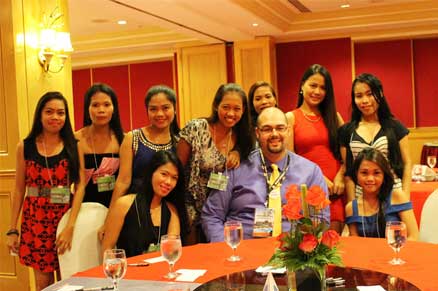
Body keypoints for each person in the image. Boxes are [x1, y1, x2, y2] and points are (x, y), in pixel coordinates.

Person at [201, 107, 329, 242]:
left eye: (280, 128)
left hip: (292, 254)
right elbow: (211, 215)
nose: (274, 134)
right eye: (267, 129)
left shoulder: (311, 171)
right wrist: (227, 250)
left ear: (289, 130)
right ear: (257, 133)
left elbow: (321, 219)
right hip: (244, 253)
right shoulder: (232, 167)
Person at [6, 92, 85, 290]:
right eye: (49, 112)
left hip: (65, 217)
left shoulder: (74, 146)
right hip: (36, 218)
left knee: (69, 278)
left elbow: (81, 184)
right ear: (40, 115)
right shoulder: (25, 146)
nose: (55, 117)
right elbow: (18, 189)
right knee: (43, 283)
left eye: (60, 113)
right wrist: (12, 229)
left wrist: (71, 226)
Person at [177, 83, 254, 243]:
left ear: (244, 110)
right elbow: (176, 168)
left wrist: (238, 152)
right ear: (216, 106)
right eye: (226, 107)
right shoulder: (197, 128)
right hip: (189, 207)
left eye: (237, 109)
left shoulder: (241, 138)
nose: (231, 113)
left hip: (219, 212)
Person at [101, 85, 179, 239]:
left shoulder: (180, 141)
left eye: (165, 108)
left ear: (174, 110)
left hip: (166, 210)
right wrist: (109, 220)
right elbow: (123, 181)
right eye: (153, 109)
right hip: (135, 208)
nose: (160, 114)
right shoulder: (133, 138)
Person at [285, 64, 345, 234]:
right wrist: (319, 177)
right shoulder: (291, 117)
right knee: (311, 245)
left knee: (333, 247)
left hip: (335, 191)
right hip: (308, 188)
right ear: (302, 85)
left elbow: (346, 154)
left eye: (323, 88)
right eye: (313, 85)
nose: (317, 91)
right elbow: (290, 158)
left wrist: (341, 176)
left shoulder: (335, 117)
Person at [339, 73, 412, 202]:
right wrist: (352, 205)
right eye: (359, 96)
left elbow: (407, 163)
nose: (365, 101)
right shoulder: (346, 131)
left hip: (394, 194)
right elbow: (349, 172)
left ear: (380, 94)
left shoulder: (395, 127)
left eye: (370, 94)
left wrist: (405, 196)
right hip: (362, 198)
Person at [101, 151, 188, 257]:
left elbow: (172, 253)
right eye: (164, 174)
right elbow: (107, 249)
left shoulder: (171, 210)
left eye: (174, 178)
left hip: (160, 270)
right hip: (129, 270)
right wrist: (116, 268)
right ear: (151, 172)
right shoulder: (123, 204)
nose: (168, 182)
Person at [345, 147, 418, 240]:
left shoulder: (397, 197)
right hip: (366, 254)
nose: (370, 178)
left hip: (397, 252)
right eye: (364, 173)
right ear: (356, 175)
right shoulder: (351, 208)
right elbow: (355, 243)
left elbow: (413, 236)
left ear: (384, 175)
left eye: (376, 173)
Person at [75, 83, 124, 208]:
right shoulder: (76, 139)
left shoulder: (124, 139)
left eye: (107, 105)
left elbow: (125, 181)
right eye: (95, 105)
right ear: (88, 108)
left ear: (114, 108)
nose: (101, 110)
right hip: (84, 207)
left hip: (116, 206)